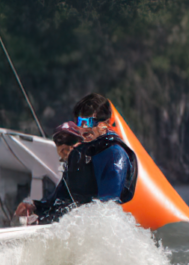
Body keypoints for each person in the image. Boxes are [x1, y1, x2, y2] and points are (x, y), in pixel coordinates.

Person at [15, 93, 139, 224]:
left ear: (106, 124)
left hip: (98, 225)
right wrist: (35, 207)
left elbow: (108, 206)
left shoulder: (115, 155)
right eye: (80, 122)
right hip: (77, 223)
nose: (84, 128)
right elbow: (60, 198)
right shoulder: (77, 155)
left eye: (89, 122)